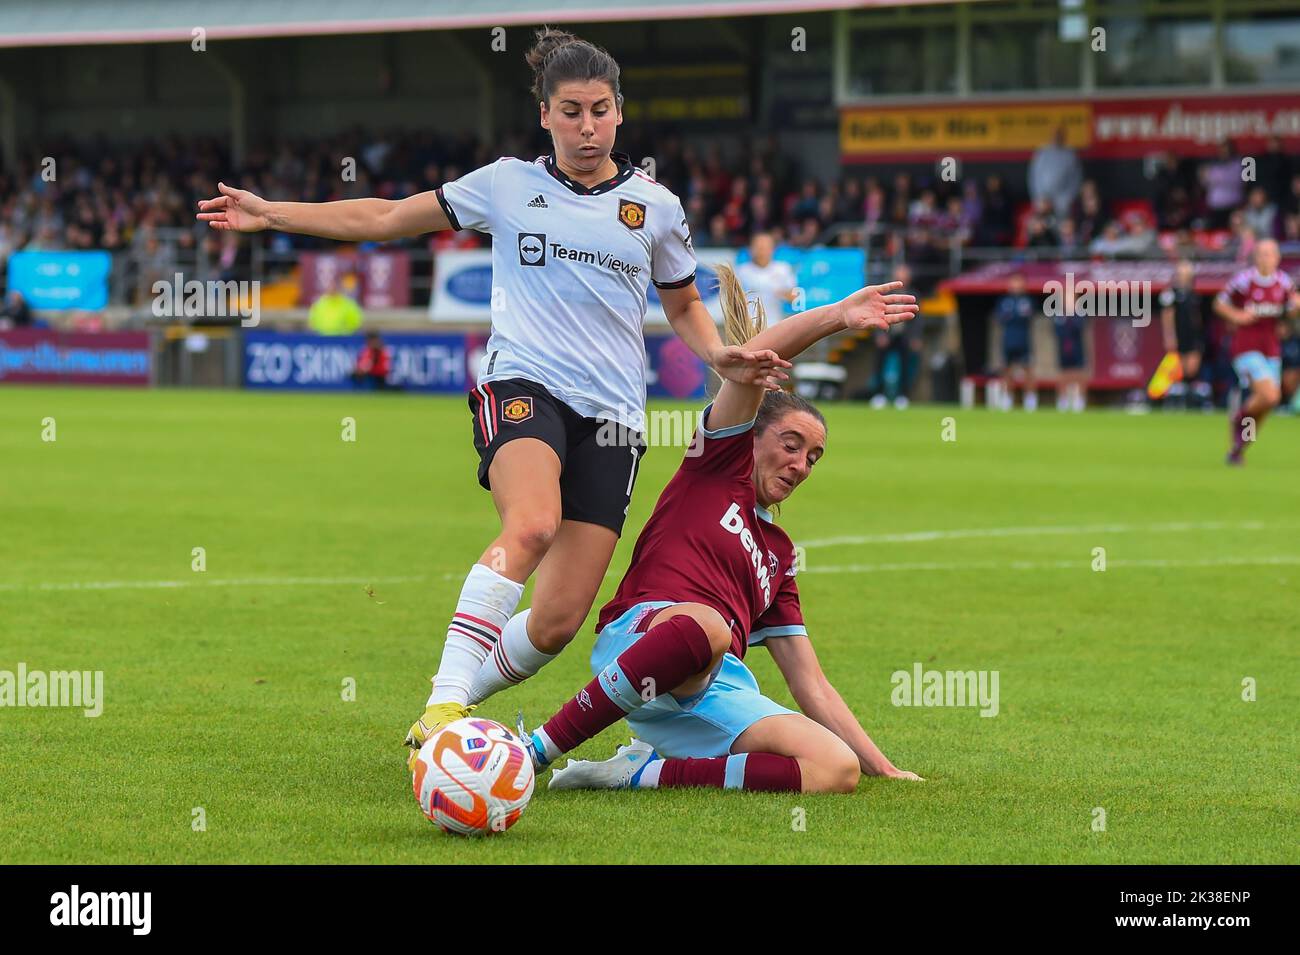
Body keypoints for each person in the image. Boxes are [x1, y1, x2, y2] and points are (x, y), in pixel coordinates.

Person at [196, 28, 787, 766]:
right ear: (545, 114)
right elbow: (386, 217)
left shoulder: (656, 208)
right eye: (570, 111)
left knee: (559, 619)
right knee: (532, 523)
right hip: (524, 384)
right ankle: (446, 698)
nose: (587, 126)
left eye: (600, 110)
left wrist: (718, 353)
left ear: (620, 113)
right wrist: (275, 213)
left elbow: (681, 308)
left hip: (613, 421)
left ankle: (448, 712)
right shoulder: (507, 184)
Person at [518, 265, 921, 793]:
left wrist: (882, 766)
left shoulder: (779, 555)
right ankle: (534, 751)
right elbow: (751, 365)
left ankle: (640, 775)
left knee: (834, 769)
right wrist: (837, 317)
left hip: (716, 688)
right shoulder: (714, 468)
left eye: (814, 458)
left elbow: (811, 683)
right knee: (709, 626)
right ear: (750, 438)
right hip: (645, 643)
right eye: (792, 444)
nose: (801, 464)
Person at [1214, 239, 1300, 465]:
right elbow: (1220, 303)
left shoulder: (1283, 282)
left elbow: (1289, 309)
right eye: (1261, 254)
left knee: (1267, 403)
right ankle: (1240, 418)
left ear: (1278, 257)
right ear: (1255, 257)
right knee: (1270, 395)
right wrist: (1237, 316)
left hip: (1271, 347)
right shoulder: (1245, 281)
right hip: (1246, 347)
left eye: (1270, 254)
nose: (1266, 258)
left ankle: (1238, 449)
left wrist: (1294, 309)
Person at [1158, 260, 1211, 409]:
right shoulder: (1170, 294)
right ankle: (1177, 397)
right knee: (1179, 367)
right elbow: (1167, 315)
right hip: (1179, 333)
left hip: (1193, 335)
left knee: (1192, 367)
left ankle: (1191, 396)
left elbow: (1198, 316)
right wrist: (1169, 336)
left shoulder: (1195, 294)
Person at [993, 272, 1037, 411]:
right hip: (1008, 340)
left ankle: (1030, 400)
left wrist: (1013, 316)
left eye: (1018, 282)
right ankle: (1007, 398)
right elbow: (1001, 317)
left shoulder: (1028, 300)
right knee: (1007, 370)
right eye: (1013, 282)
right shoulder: (1004, 300)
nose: (1016, 285)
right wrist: (1014, 316)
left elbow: (1027, 317)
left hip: (1024, 339)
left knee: (1028, 369)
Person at [735, 231, 797, 326]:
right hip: (749, 326)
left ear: (772, 249)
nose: (762, 251)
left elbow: (795, 298)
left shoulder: (783, 269)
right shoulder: (741, 271)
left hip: (775, 324)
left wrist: (781, 293)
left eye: (765, 247)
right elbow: (733, 300)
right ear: (751, 249)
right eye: (758, 247)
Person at [1028, 127, 1082, 222]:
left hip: (1063, 201)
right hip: (1043, 200)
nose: (1057, 138)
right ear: (1051, 137)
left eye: (1059, 135)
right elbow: (1034, 177)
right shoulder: (1042, 152)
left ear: (1064, 137)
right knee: (1042, 227)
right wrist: (1039, 197)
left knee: (1062, 228)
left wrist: (1066, 199)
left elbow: (1076, 180)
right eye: (1054, 135)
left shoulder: (1070, 154)